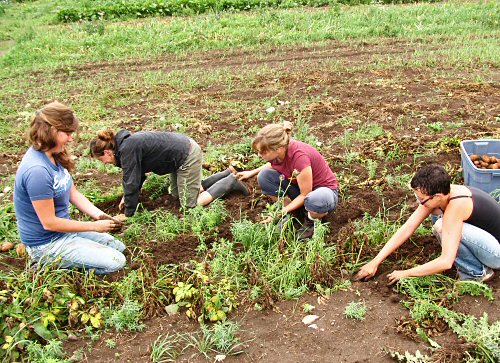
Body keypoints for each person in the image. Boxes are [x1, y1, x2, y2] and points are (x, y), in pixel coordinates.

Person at [354, 163, 500, 285]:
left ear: (437, 195)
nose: (419, 202)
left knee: (441, 226)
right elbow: (408, 228)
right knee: (439, 220)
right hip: (487, 241)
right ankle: (472, 263)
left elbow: (446, 262)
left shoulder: (457, 205)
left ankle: (476, 273)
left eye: (421, 199)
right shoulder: (442, 194)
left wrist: (405, 273)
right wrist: (375, 262)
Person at [14, 102, 126, 274]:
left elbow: (73, 193)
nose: (71, 138)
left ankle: (73, 255)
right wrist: (94, 226)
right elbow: (49, 222)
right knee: (115, 261)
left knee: (118, 247)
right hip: (47, 243)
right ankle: (48, 266)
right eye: (67, 133)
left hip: (64, 233)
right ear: (51, 131)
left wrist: (99, 216)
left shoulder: (54, 155)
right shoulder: (37, 171)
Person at [89, 129, 249, 217]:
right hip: (178, 156)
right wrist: (127, 196)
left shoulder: (126, 149)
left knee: (189, 205)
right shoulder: (124, 145)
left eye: (100, 159)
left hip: (186, 155)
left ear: (106, 152)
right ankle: (226, 173)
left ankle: (231, 182)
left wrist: (128, 214)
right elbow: (136, 176)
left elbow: (131, 181)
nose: (104, 164)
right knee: (175, 193)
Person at [237, 121, 338, 239]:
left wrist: (278, 213)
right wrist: (252, 172)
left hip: (323, 193)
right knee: (264, 176)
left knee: (316, 199)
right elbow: (274, 165)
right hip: (301, 190)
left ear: (278, 149)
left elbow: (306, 193)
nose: (260, 155)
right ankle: (292, 212)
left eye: (263, 152)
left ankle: (311, 221)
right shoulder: (280, 152)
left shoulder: (299, 157)